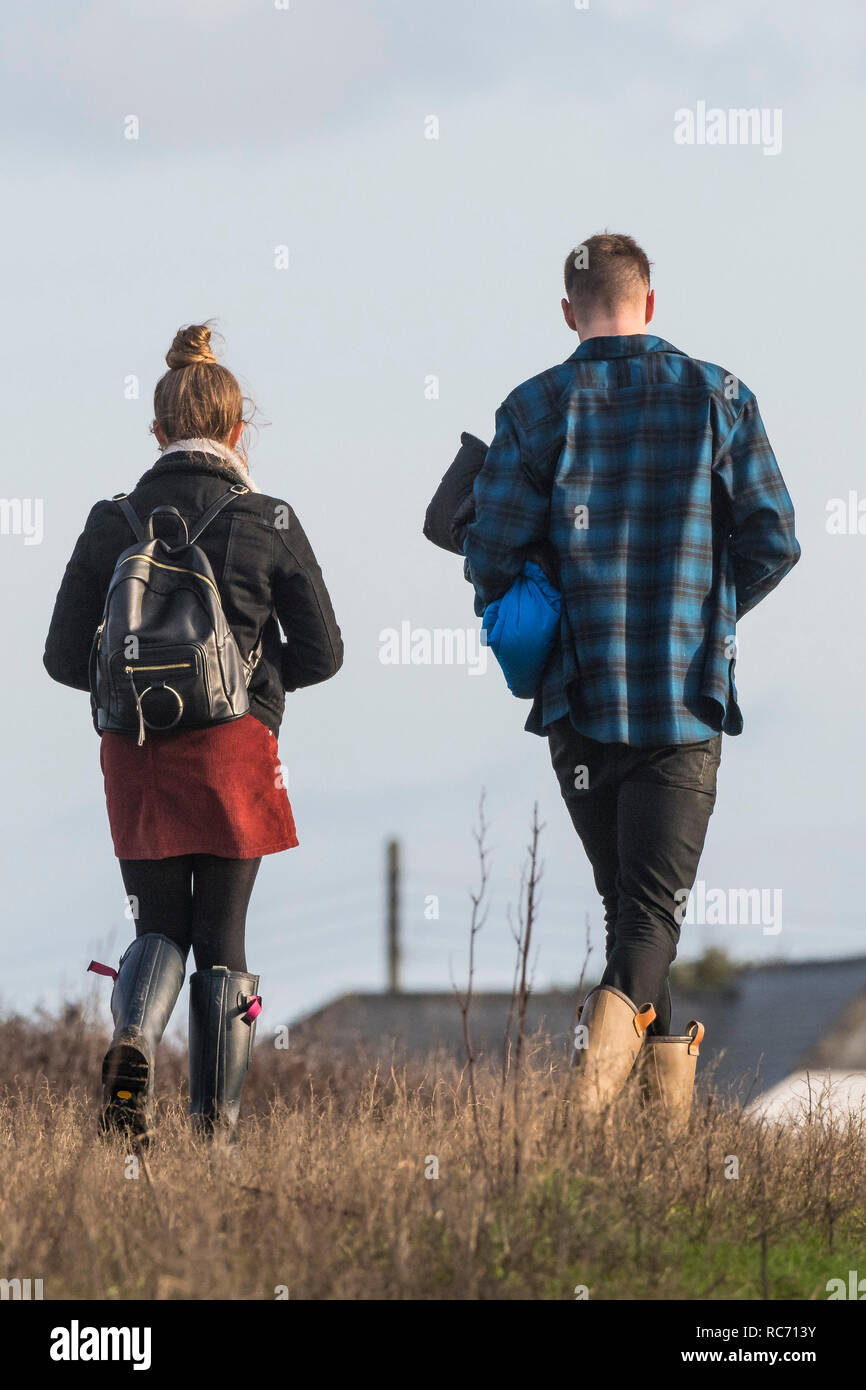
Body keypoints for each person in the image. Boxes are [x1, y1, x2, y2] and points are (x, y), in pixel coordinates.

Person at [463, 233, 800, 1121]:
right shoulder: (720, 397)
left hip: (578, 706)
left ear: (569, 314)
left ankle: (655, 1159)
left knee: (636, 918)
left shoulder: (533, 408)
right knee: (648, 921)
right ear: (649, 302)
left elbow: (488, 553)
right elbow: (775, 540)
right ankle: (584, 1121)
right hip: (683, 704)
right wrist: (708, 615)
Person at [44, 321, 343, 1142]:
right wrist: (248, 691)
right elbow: (325, 652)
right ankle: (217, 1134)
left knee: (158, 930)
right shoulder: (268, 519)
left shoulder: (112, 521)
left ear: (158, 430)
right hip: (236, 753)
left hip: (136, 754)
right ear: (240, 429)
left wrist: (142, 696)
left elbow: (62, 659)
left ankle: (134, 1037)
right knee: (223, 937)